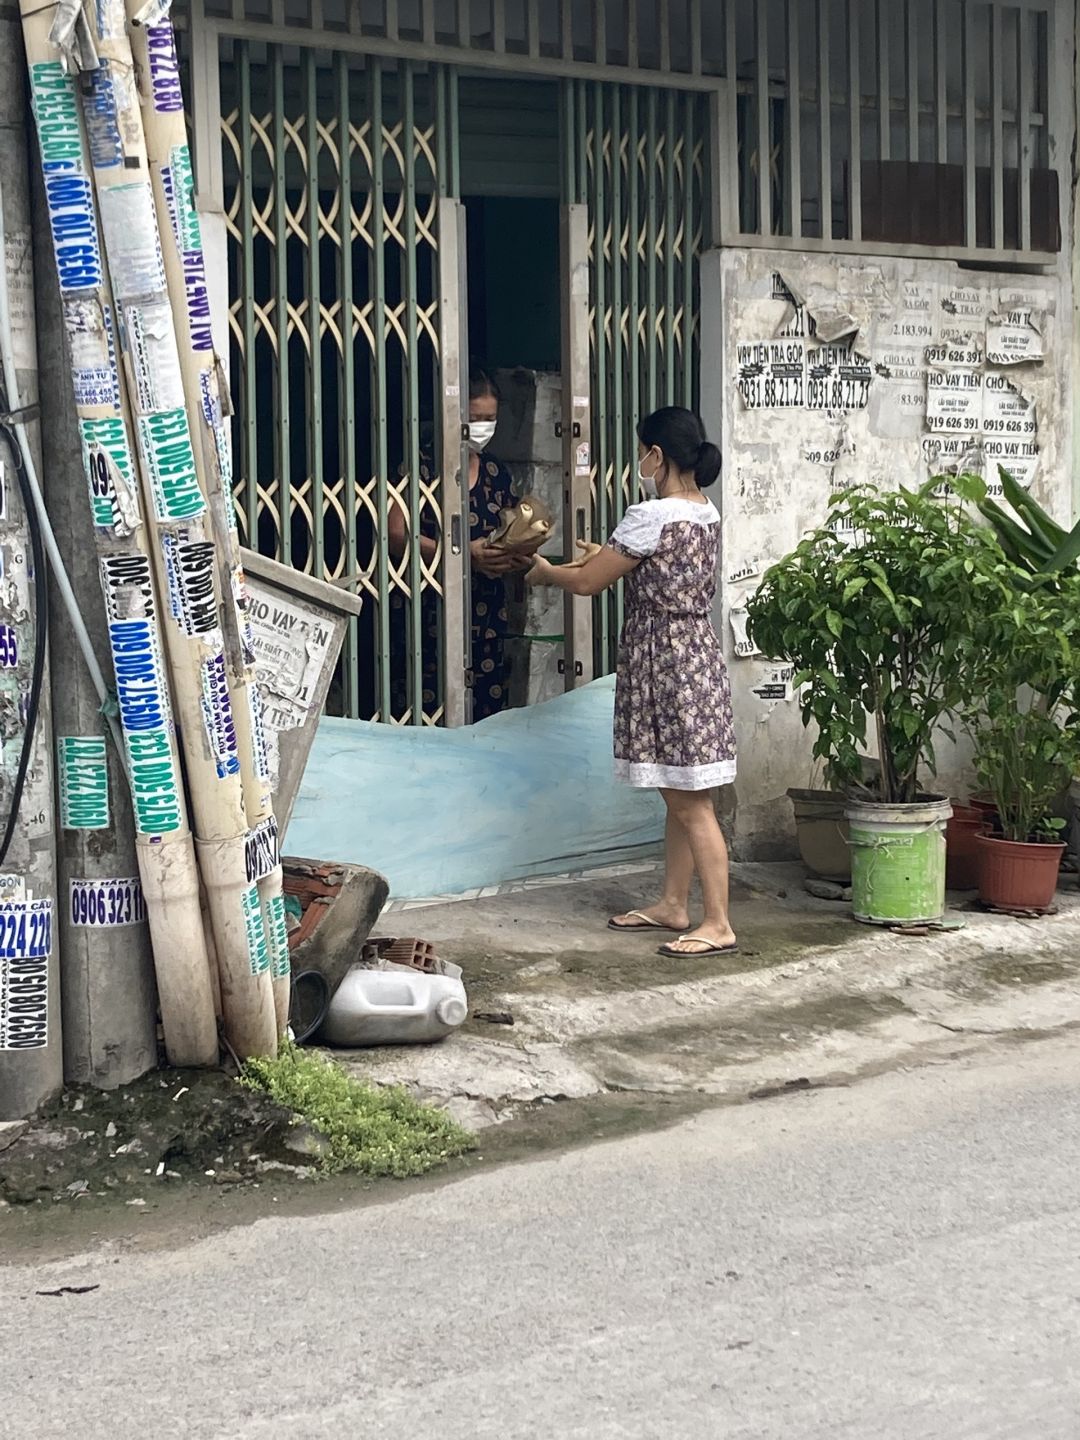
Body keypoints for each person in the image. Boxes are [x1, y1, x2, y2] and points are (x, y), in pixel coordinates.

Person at [526, 406, 736, 958]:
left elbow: (588, 583)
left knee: (691, 803)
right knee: (683, 793)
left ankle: (718, 923)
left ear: (656, 456)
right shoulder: (705, 511)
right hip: (697, 657)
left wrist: (544, 571)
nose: (641, 461)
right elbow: (655, 567)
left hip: (664, 663)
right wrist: (606, 556)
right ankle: (673, 904)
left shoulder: (649, 514)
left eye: (643, 452)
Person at [388, 370, 529, 722]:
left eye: (490, 419)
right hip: (429, 610)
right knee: (427, 710)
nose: (483, 428)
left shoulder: (496, 472)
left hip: (486, 615)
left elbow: (514, 528)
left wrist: (513, 555)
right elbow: (395, 533)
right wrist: (463, 554)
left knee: (484, 714)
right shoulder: (422, 467)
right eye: (476, 419)